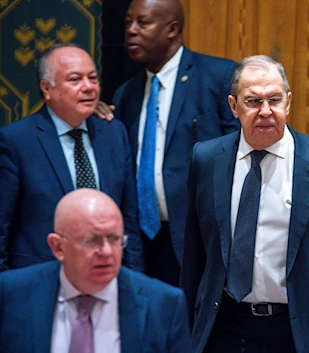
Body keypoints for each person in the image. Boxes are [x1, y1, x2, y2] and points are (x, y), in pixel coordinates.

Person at [180, 55, 309, 353]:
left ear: (289, 102)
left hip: (298, 331)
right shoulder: (206, 159)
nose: (266, 111)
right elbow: (194, 257)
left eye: (274, 99)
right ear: (233, 106)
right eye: (253, 101)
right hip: (224, 327)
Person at [96, 0, 240, 286]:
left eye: (143, 23)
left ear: (172, 29)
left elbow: (243, 158)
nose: (131, 31)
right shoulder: (127, 94)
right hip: (141, 242)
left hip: (198, 239)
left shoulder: (219, 78)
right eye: (127, 23)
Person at [0, 43, 143, 275]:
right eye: (75, 80)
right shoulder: (16, 141)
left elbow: (129, 219)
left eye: (93, 78)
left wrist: (134, 281)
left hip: (107, 277)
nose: (88, 87)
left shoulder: (114, 134)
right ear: (47, 89)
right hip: (41, 279)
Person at [0, 189, 191, 353]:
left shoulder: (164, 305)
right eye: (92, 241)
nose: (107, 252)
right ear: (58, 247)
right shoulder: (10, 294)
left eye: (114, 239)